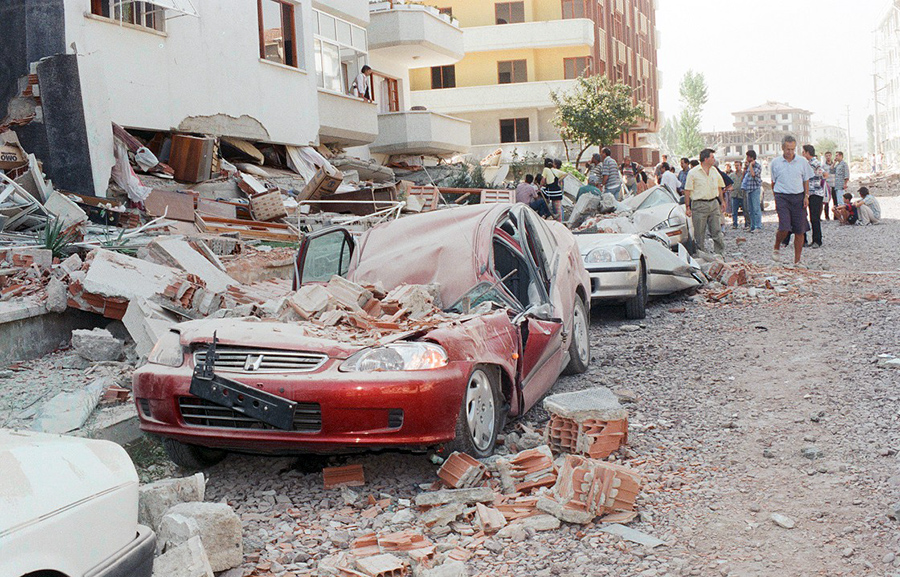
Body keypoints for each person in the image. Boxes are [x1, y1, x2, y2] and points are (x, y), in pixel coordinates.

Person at [770, 135, 813, 267]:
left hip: (798, 197)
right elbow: (773, 182)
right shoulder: (775, 163)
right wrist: (776, 197)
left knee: (800, 230)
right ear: (782, 148)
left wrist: (806, 196)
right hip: (782, 196)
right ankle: (777, 246)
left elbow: (806, 179)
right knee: (784, 227)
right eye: (788, 149)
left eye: (793, 149)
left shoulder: (802, 162)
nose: (790, 152)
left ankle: (797, 261)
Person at [684, 148, 726, 256]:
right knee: (699, 234)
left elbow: (720, 187)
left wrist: (722, 202)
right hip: (699, 205)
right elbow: (687, 190)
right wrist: (687, 207)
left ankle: (720, 255)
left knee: (717, 231)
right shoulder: (693, 173)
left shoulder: (714, 171)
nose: (714, 159)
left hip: (713, 203)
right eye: (712, 157)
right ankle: (701, 256)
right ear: (706, 159)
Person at [800, 144, 825, 248]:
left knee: (814, 218)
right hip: (809, 193)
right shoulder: (808, 163)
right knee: (807, 217)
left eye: (803, 151)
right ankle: (809, 240)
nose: (802, 153)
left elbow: (823, 174)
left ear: (807, 152)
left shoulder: (815, 163)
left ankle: (817, 240)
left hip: (815, 193)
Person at [742, 150, 763, 232]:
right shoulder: (748, 166)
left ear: (751, 157)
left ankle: (758, 226)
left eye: (748, 157)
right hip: (749, 189)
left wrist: (750, 165)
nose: (746, 158)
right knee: (750, 209)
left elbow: (753, 174)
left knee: (756, 208)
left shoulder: (757, 166)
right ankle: (752, 226)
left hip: (755, 188)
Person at [731, 160, 746, 229]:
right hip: (734, 195)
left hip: (742, 195)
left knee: (745, 210)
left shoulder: (744, 174)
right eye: (735, 165)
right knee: (734, 211)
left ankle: (747, 224)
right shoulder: (732, 175)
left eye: (738, 165)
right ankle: (734, 224)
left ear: (741, 166)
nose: (736, 167)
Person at [822, 151, 835, 220]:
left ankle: (836, 216)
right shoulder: (823, 166)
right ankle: (827, 216)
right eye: (826, 156)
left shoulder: (835, 165)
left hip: (834, 184)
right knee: (826, 201)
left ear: (831, 156)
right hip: (827, 185)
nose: (828, 157)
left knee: (835, 201)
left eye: (829, 155)